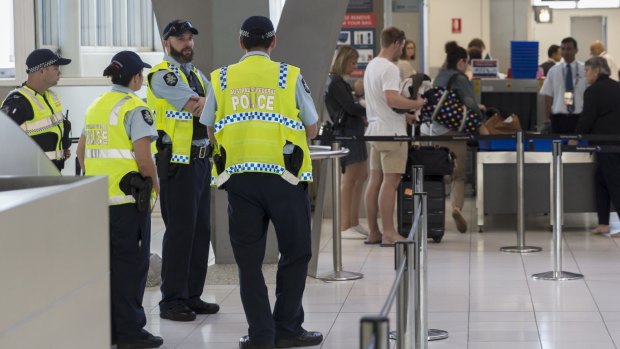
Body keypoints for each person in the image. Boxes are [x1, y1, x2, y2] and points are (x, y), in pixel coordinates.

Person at [201, 16, 323, 349]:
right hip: (285, 178)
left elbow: (210, 128)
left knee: (249, 261)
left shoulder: (222, 77)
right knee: (296, 252)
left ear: (241, 43)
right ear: (273, 42)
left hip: (240, 181)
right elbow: (311, 128)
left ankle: (261, 335)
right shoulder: (289, 75)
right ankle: (287, 327)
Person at [76, 51, 163, 349]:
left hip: (98, 203)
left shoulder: (95, 107)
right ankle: (131, 332)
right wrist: (156, 186)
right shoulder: (135, 108)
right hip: (128, 202)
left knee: (108, 268)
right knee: (131, 267)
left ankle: (110, 330)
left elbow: (81, 153)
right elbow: (143, 158)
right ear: (136, 77)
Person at [146, 19, 219, 322]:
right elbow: (200, 107)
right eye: (180, 39)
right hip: (178, 162)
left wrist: (211, 103)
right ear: (166, 43)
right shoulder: (163, 75)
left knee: (201, 231)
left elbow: (211, 106)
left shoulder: (198, 75)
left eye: (190, 38)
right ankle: (172, 300)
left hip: (201, 161)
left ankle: (192, 294)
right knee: (180, 232)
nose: (187, 43)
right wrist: (212, 103)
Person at [363, 27, 424, 245]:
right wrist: (416, 104)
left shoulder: (371, 65)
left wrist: (404, 115)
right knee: (391, 182)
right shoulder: (390, 68)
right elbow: (391, 99)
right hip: (391, 134)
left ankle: (374, 232)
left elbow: (381, 103)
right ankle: (389, 233)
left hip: (374, 131)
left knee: (374, 180)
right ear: (397, 43)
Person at [421, 41, 488, 234]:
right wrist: (480, 121)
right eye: (466, 63)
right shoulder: (459, 78)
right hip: (451, 132)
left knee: (435, 174)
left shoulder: (439, 76)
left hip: (430, 131)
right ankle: (456, 209)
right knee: (458, 175)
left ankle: (432, 213)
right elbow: (470, 103)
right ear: (460, 61)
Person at [1, 48, 72, 171]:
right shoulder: (18, 102)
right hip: (30, 177)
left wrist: (60, 149)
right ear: (42, 71)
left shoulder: (51, 97)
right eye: (55, 68)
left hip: (52, 172)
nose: (59, 73)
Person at [325, 45, 369, 239]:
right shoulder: (335, 82)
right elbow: (350, 108)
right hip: (346, 133)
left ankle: (353, 221)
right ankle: (344, 224)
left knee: (362, 175)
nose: (355, 66)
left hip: (355, 132)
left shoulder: (340, 82)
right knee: (350, 179)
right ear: (343, 61)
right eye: (353, 62)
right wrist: (367, 106)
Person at [574, 57, 620, 236]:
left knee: (615, 182)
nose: (585, 74)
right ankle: (603, 223)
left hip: (606, 144)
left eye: (586, 71)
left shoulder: (593, 91)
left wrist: (576, 137)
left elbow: (587, 118)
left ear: (596, 71)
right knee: (600, 179)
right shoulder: (617, 87)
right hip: (616, 143)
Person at [540, 37, 586, 134]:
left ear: (576, 50)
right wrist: (546, 119)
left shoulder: (584, 69)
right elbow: (548, 95)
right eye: (563, 49)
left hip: (579, 117)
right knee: (558, 147)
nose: (565, 52)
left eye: (569, 48)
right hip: (558, 117)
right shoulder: (553, 71)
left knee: (578, 148)